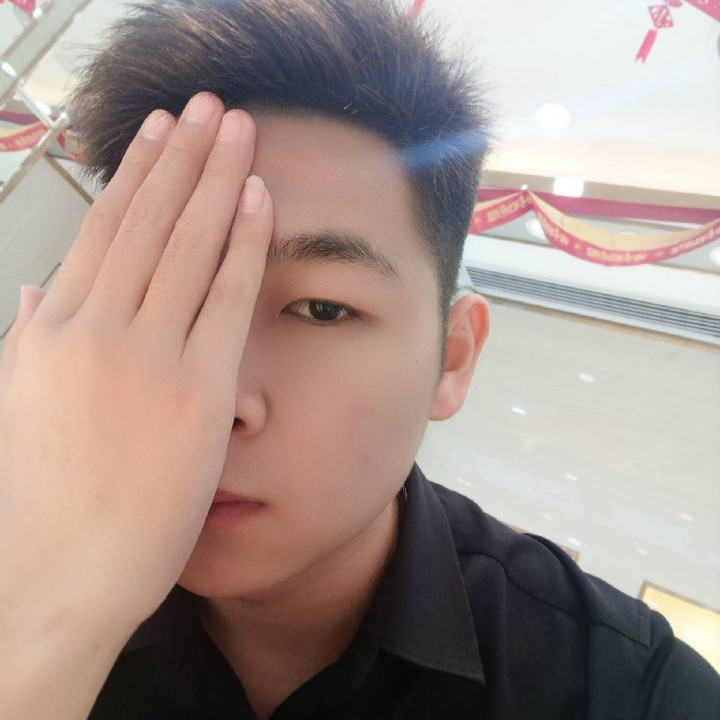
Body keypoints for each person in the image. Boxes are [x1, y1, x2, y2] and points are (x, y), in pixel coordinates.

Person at [0, 1, 717, 719]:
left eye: (321, 309)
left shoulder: (628, 689)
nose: (207, 401)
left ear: (452, 359)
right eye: (168, 293)